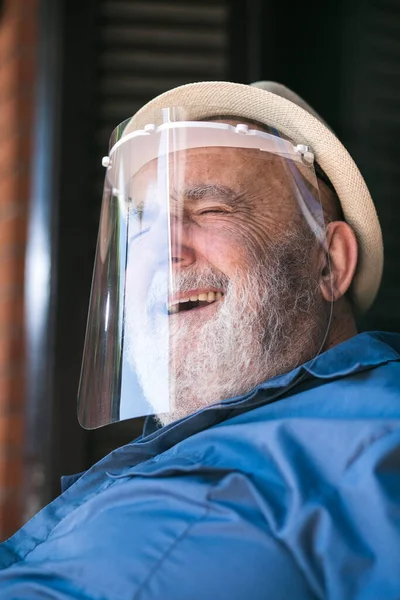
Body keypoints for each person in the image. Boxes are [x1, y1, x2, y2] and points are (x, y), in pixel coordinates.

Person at [0, 80, 399, 599]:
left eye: (212, 210)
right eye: (142, 226)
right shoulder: (223, 447)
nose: (163, 251)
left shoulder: (371, 446)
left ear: (329, 262)